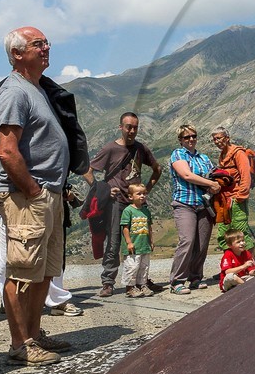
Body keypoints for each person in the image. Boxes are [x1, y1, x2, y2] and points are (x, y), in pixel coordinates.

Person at [0, 26, 75, 365]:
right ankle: (19, 345)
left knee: (44, 271)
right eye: (38, 44)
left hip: (47, 193)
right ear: (17, 53)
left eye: (46, 43)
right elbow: (7, 150)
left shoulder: (36, 88)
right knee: (22, 271)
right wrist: (33, 190)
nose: (46, 48)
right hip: (26, 195)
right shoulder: (14, 92)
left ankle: (34, 334)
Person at [87, 112, 160, 297]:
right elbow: (88, 171)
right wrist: (102, 189)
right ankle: (108, 282)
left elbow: (157, 169)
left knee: (140, 241)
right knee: (114, 242)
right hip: (116, 202)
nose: (132, 131)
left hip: (137, 204)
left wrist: (146, 189)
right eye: (129, 127)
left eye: (135, 127)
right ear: (121, 127)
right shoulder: (110, 148)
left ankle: (140, 280)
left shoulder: (141, 148)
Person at [168, 123, 221, 294]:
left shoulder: (204, 157)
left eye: (193, 136)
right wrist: (210, 183)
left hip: (204, 204)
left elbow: (214, 174)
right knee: (187, 240)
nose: (191, 139)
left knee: (202, 243)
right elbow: (186, 175)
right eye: (187, 137)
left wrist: (217, 182)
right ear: (180, 140)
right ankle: (177, 280)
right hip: (185, 203)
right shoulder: (178, 154)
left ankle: (195, 277)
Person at [210, 125, 255, 252]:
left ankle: (250, 261)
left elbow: (245, 176)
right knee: (225, 234)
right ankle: (231, 261)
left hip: (236, 200)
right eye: (214, 139)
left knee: (241, 233)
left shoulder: (238, 153)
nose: (217, 141)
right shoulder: (222, 155)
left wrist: (240, 197)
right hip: (224, 201)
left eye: (219, 138)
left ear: (227, 138)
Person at [118, 181, 154, 297]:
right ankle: (130, 288)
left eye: (144, 193)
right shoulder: (128, 211)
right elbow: (125, 228)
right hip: (133, 245)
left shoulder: (146, 211)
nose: (142, 196)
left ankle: (142, 284)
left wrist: (151, 241)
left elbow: (149, 227)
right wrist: (129, 242)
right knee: (132, 266)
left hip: (144, 244)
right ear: (130, 196)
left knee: (144, 266)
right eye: (139, 194)